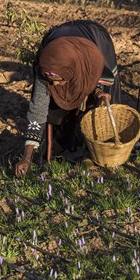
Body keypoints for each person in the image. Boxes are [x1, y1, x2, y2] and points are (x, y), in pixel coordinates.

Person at [15, 20, 121, 176]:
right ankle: (57, 151)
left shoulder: (94, 58)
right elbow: (38, 110)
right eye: (52, 82)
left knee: (98, 111)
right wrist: (27, 157)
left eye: (59, 80)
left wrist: (98, 92)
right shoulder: (46, 67)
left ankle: (95, 154)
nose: (56, 85)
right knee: (52, 108)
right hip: (61, 49)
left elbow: (96, 80)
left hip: (94, 42)